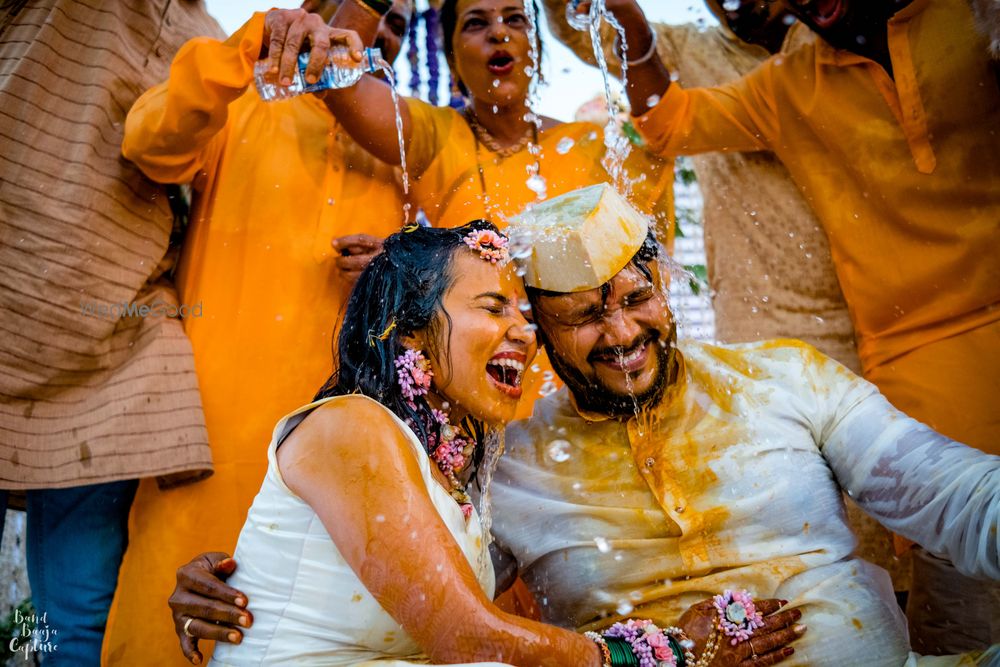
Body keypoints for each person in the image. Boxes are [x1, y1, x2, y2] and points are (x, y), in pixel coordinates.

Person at [172, 184, 999, 666]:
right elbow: (433, 609)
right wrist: (235, 591)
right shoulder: (510, 462)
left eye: (636, 298)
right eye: (580, 317)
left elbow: (954, 496)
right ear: (542, 331)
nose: (621, 334)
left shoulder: (782, 378)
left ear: (664, 289)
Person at [574, 0, 1000, 652]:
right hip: (910, 359)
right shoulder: (790, 82)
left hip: (918, 345)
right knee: (956, 595)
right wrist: (630, 26)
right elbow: (669, 120)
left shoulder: (969, 18)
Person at [188, 219, 805, 666]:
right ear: (408, 333)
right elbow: (471, 640)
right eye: (492, 307)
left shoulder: (467, 463)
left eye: (525, 315)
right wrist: (670, 653)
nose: (522, 332)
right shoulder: (352, 426)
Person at [543, 0, 907, 592]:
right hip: (760, 325)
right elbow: (582, 31)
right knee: (803, 524)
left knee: (909, 512)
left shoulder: (836, 48)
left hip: (885, 317)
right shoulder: (688, 50)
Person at [100, 3, 412, 664]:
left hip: (348, 472)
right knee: (164, 638)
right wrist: (250, 45)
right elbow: (148, 142)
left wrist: (402, 262)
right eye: (372, 7)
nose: (381, 30)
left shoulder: (407, 155)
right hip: (212, 448)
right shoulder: (243, 108)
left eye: (398, 24)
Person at [264, 0, 677, 424]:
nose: (499, 33)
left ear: (535, 46)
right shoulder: (435, 134)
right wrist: (407, 276)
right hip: (482, 395)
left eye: (515, 20)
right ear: (452, 58)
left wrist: (630, 19)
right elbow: (333, 77)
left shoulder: (595, 146)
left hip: (598, 382)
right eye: (476, 24)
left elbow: (665, 136)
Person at [0, 1, 222, 663]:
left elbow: (171, 161)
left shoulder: (212, 45)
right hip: (18, 312)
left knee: (77, 615)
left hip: (115, 355)